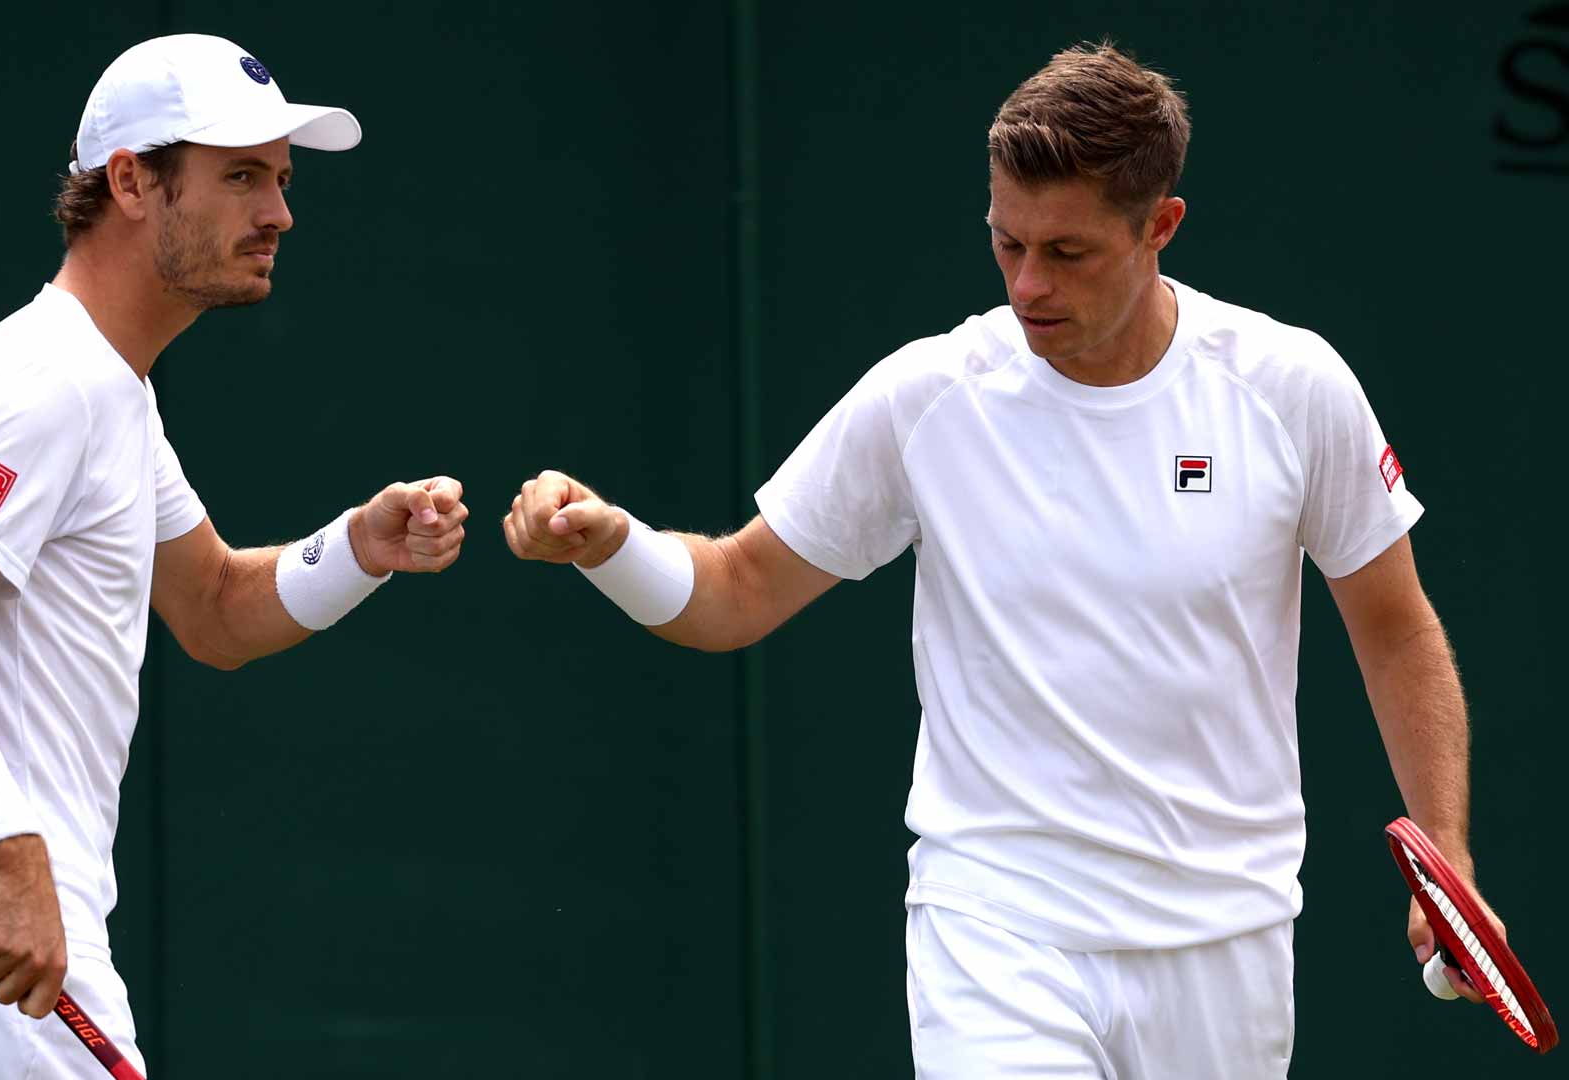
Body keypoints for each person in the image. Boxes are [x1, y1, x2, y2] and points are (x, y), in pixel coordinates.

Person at [504, 41, 1496, 1077]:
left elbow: (1395, 626)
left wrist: (1448, 856)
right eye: (1005, 243)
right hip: (997, 927)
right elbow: (735, 594)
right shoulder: (930, 395)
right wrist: (613, 547)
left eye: (1066, 254)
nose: (1028, 285)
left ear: (1161, 227)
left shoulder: (1290, 387)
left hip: (1225, 937)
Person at [0, 34, 469, 1077]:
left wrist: (360, 546)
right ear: (130, 180)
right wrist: (14, 863)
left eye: (283, 179)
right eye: (242, 176)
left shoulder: (113, 388)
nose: (280, 214)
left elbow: (214, 607)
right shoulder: (49, 378)